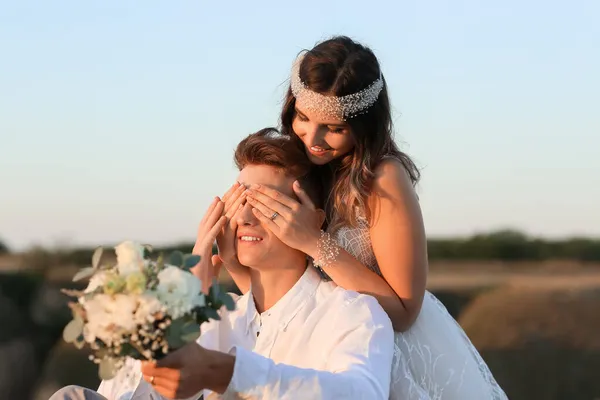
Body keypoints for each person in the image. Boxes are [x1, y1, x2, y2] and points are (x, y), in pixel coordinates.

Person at [211, 37, 508, 399]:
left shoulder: (383, 178)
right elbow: (290, 299)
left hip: (389, 358)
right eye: (303, 117)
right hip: (322, 341)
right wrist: (233, 260)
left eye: (333, 128)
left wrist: (313, 242)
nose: (313, 138)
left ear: (364, 126)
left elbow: (403, 313)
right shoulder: (304, 166)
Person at [51, 128, 397, 400]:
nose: (245, 215)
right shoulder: (218, 315)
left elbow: (362, 393)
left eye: (265, 202)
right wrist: (180, 301)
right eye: (239, 198)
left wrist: (226, 371)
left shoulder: (350, 312)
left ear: (313, 219)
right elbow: (119, 395)